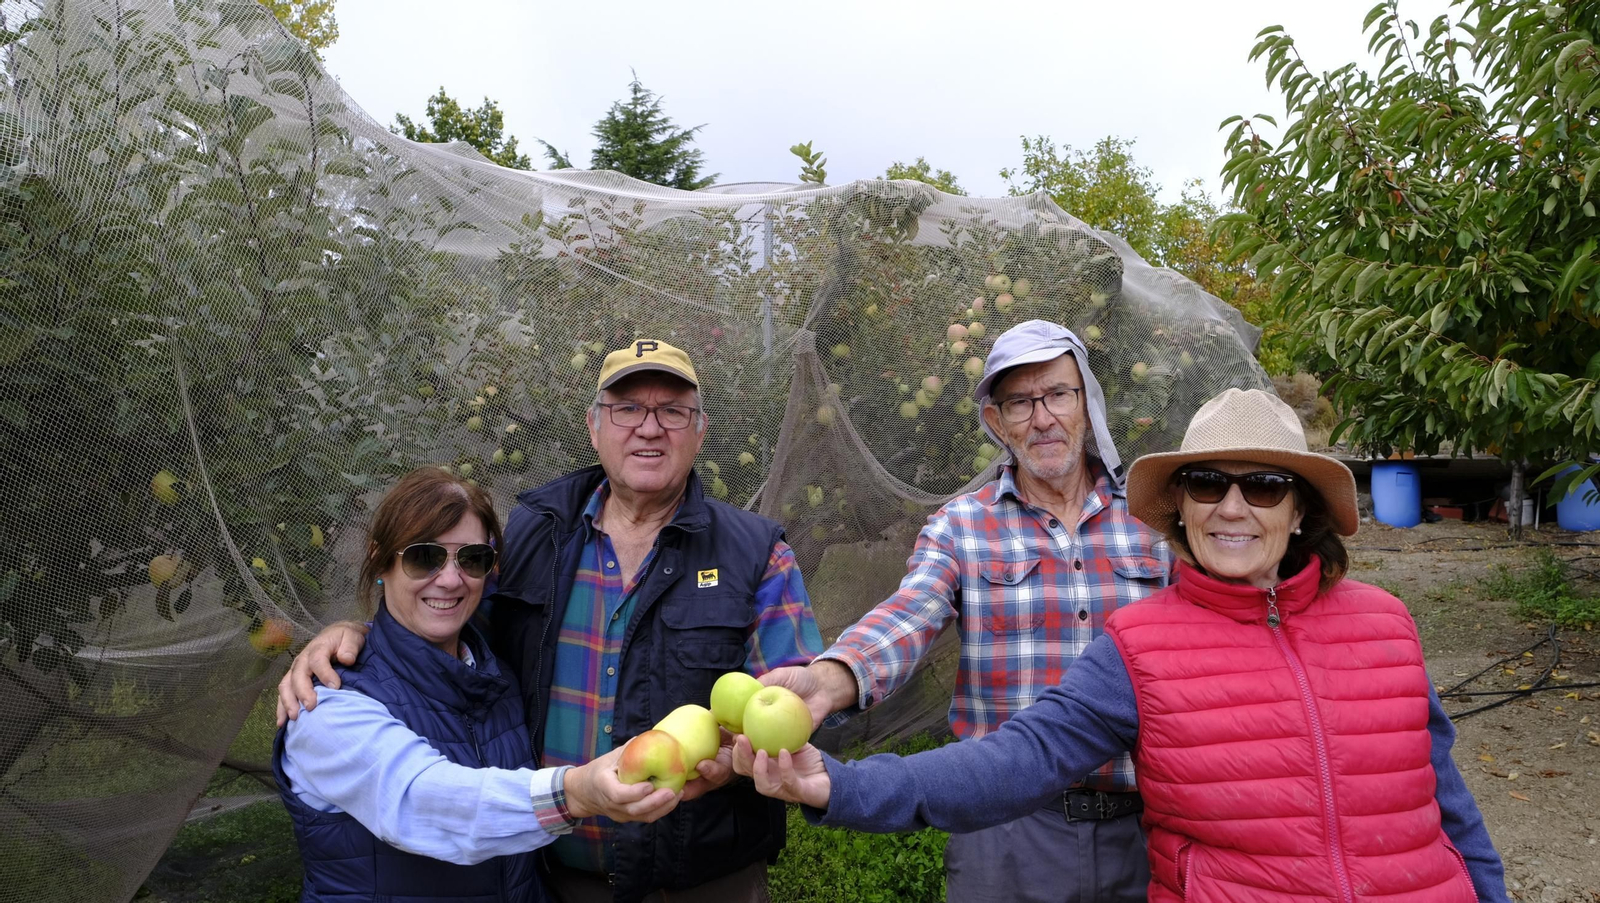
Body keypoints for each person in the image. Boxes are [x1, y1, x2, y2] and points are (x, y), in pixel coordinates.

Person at [736, 387, 1510, 903]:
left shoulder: (1385, 622)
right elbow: (1013, 759)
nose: (1232, 507)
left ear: (1300, 508)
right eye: (1207, 482)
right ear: (1180, 506)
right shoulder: (1142, 644)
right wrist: (840, 783)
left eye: (1264, 485)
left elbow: (1448, 806)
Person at [279, 340, 825, 903]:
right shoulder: (536, 534)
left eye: (672, 411)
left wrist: (737, 762)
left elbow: (798, 707)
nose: (650, 427)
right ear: (594, 427)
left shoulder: (755, 554)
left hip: (703, 882)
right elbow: (443, 614)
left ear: (700, 430)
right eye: (627, 409)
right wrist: (359, 634)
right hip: (554, 879)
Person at [760, 319, 1172, 902]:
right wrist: (829, 681)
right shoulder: (962, 525)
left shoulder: (1156, 520)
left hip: (1145, 827)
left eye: (1058, 394)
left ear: (1087, 401)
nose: (1043, 418)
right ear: (996, 422)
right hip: (1005, 831)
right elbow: (910, 612)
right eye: (1020, 402)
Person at [275, 466, 678, 903]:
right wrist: (578, 792)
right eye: (423, 557)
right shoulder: (325, 702)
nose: (451, 579)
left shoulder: (496, 678)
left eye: (471, 559)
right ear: (379, 560)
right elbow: (425, 801)